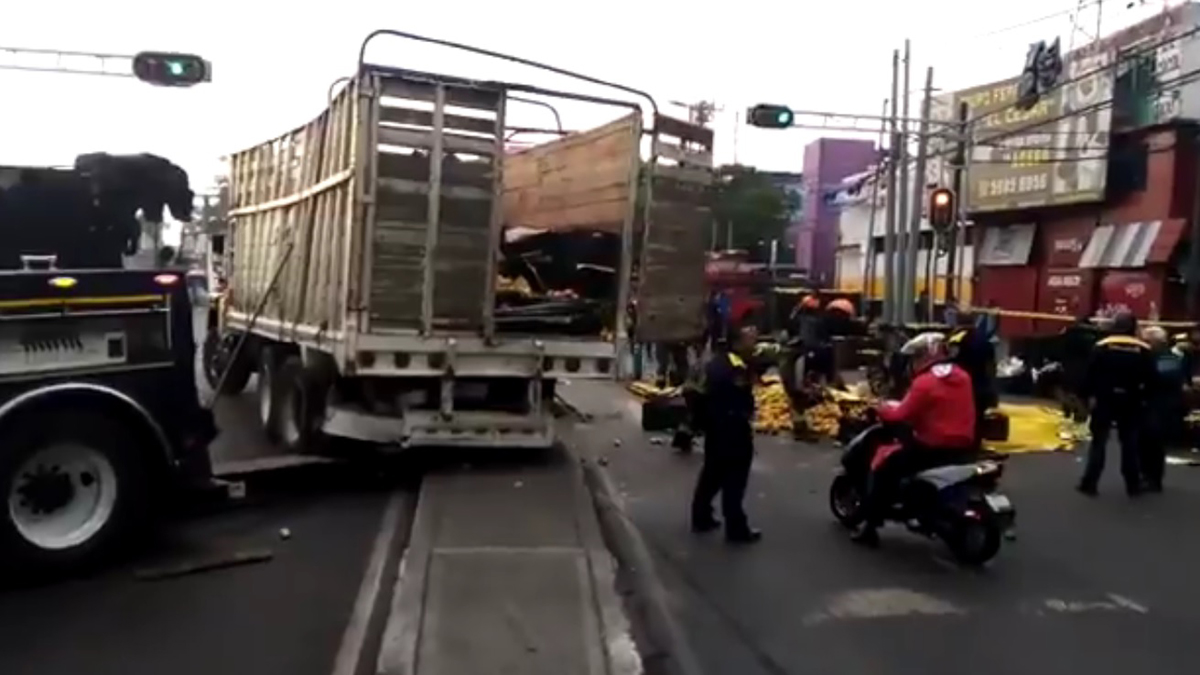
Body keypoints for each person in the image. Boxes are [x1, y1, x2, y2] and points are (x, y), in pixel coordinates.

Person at [851, 331, 976, 547]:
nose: (913, 362)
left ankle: (870, 526)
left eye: (916, 357)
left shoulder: (924, 383)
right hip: (963, 445)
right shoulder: (962, 376)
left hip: (931, 446)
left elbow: (901, 415)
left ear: (925, 356)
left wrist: (881, 409)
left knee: (882, 465)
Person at [690, 325, 762, 544]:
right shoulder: (735, 368)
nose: (755, 344)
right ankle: (736, 528)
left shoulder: (717, 363)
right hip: (733, 429)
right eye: (751, 339)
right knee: (734, 479)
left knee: (712, 473)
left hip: (715, 428)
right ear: (738, 343)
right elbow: (739, 399)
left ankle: (701, 516)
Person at [1078, 311, 1157, 497]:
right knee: (1129, 443)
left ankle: (1090, 483)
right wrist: (1145, 397)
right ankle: (1133, 485)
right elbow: (1152, 378)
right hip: (1131, 400)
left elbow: (1090, 374)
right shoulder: (1143, 349)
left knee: (1099, 442)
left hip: (1105, 398)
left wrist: (1086, 396)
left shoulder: (1102, 346)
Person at [1141, 326, 1185, 493]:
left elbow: (1163, 378)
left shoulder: (1164, 358)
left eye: (1147, 341)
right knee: (1147, 442)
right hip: (1159, 404)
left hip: (1160, 405)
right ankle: (1149, 476)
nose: (1144, 344)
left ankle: (1152, 479)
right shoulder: (1167, 356)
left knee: (1153, 443)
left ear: (1155, 342)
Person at [947, 309, 997, 448]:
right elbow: (991, 366)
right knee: (978, 415)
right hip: (981, 385)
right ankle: (976, 442)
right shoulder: (983, 339)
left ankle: (962, 442)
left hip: (960, 385)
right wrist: (992, 387)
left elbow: (951, 360)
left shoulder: (956, 339)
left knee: (960, 415)